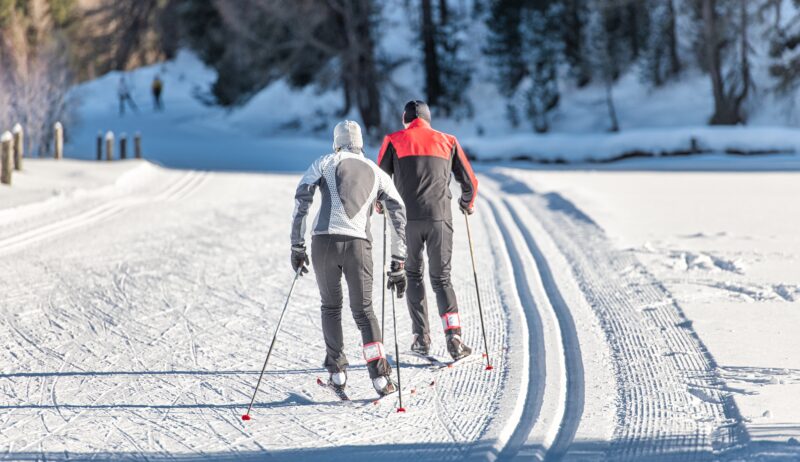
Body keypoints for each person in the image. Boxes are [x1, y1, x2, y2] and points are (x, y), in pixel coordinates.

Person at [291, 120, 408, 397]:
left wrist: (297, 245)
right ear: (361, 143)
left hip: (324, 243)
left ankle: (337, 373)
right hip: (358, 246)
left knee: (330, 307)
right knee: (364, 311)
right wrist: (398, 260)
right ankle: (380, 379)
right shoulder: (377, 172)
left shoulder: (324, 162)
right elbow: (398, 212)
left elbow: (302, 199)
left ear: (336, 142)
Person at [377, 100, 478, 361]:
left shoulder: (393, 140)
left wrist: (380, 205)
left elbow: (380, 181)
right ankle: (454, 337)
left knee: (412, 274)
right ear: (428, 119)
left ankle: (421, 338)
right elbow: (470, 182)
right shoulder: (448, 140)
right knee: (442, 278)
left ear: (405, 119)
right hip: (439, 218)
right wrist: (466, 203)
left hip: (406, 220)